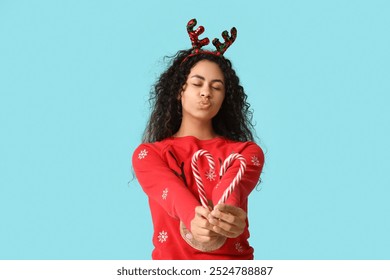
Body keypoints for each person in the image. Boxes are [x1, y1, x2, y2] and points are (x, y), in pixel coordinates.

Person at [132, 19, 264, 260]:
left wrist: (226, 216)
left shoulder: (247, 152)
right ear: (179, 90)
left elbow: (231, 191)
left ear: (226, 97)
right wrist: (193, 217)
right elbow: (172, 193)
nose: (206, 92)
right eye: (197, 83)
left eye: (217, 87)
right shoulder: (149, 155)